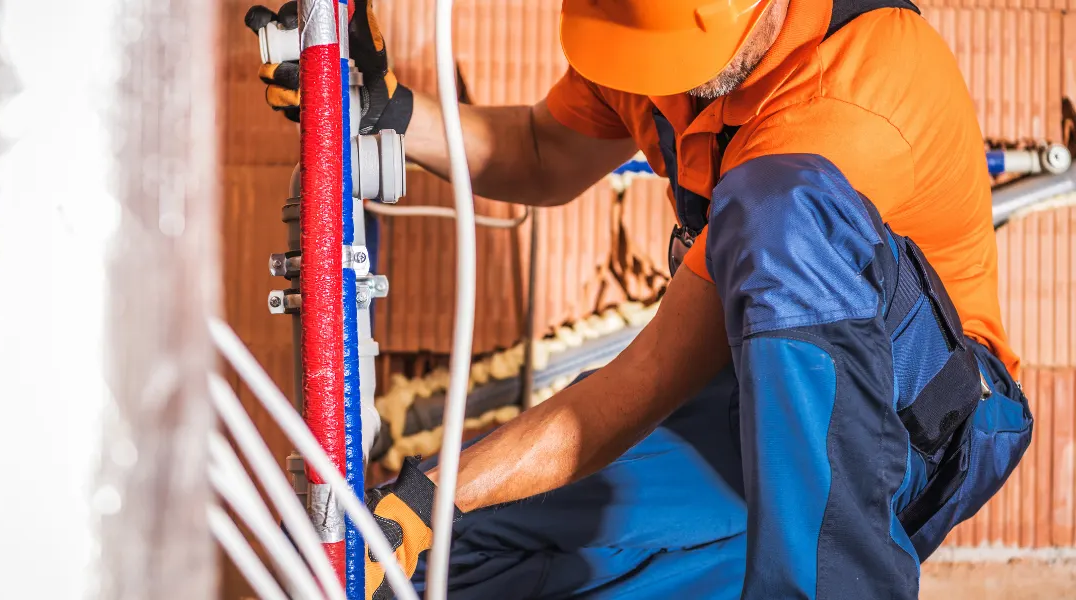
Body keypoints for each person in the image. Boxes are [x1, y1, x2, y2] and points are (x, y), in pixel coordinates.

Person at [246, 0, 1035, 597]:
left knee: (780, 209)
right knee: (434, 562)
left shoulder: (851, 96)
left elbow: (640, 384)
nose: (661, 83)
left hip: (923, 421)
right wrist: (393, 116)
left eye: (679, 60)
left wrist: (427, 490)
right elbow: (541, 149)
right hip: (747, 408)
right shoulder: (650, 36)